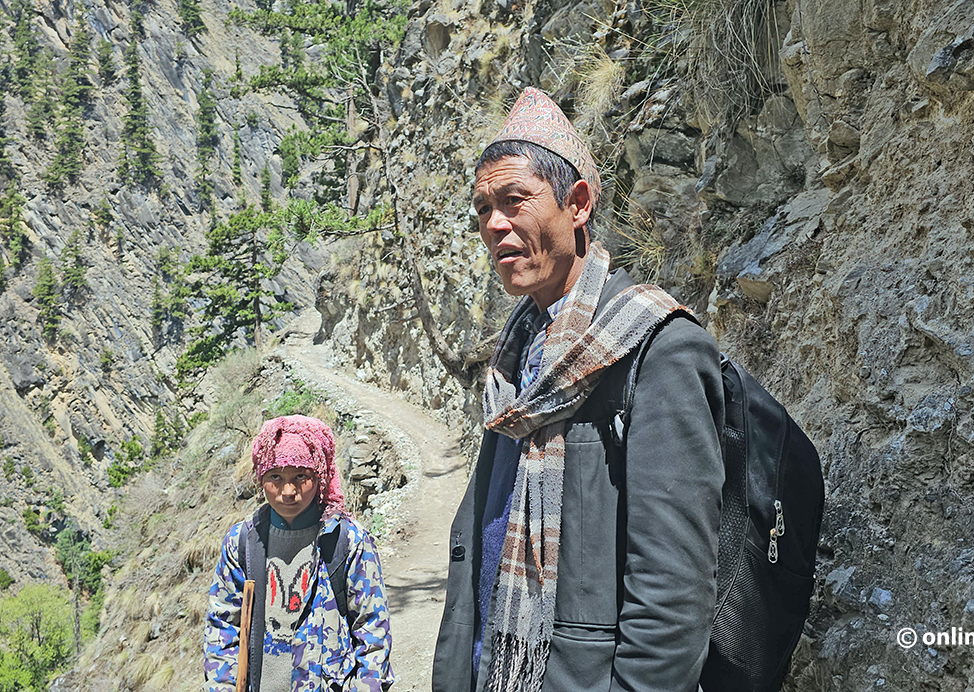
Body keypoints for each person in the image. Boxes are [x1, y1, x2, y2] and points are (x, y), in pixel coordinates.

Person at [432, 87, 726, 692]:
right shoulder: (518, 361)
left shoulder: (656, 349)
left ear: (578, 205)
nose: (494, 225)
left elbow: (672, 592)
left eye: (515, 200)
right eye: (483, 208)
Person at [205, 415, 394, 692]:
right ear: (261, 478)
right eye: (276, 477)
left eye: (301, 476)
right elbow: (222, 630)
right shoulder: (243, 542)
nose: (288, 491)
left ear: (320, 476)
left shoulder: (347, 541)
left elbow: (373, 631)